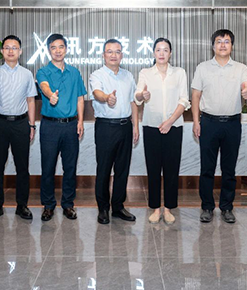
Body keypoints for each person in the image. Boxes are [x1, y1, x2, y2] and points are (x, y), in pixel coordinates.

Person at [191, 29, 247, 224]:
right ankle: (207, 207)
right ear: (213, 46)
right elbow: (195, 96)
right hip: (208, 123)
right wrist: (196, 122)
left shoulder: (241, 68)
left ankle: (227, 207)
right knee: (207, 169)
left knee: (229, 169)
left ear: (232, 46)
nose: (223, 45)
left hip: (232, 123)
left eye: (227, 41)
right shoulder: (202, 68)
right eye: (219, 41)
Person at [0, 35, 37, 222]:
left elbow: (30, 100)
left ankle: (22, 205)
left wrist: (31, 125)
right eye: (7, 47)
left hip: (20, 123)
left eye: (14, 48)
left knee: (22, 167)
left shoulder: (27, 74)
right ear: (2, 51)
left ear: (20, 51)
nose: (11, 51)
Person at [135, 38, 190, 225]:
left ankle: (168, 209)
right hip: (151, 127)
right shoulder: (145, 73)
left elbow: (184, 100)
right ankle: (155, 208)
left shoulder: (179, 73)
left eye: (165, 50)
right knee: (153, 169)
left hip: (173, 127)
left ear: (170, 53)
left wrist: (170, 121)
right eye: (158, 50)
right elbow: (137, 96)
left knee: (171, 169)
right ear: (153, 53)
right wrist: (143, 95)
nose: (161, 53)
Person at [36, 33, 87, 222]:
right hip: (50, 126)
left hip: (71, 125)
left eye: (61, 47)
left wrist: (80, 121)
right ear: (49, 50)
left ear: (66, 49)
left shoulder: (74, 72)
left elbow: (80, 98)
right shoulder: (43, 71)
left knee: (70, 167)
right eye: (53, 47)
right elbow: (44, 86)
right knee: (48, 167)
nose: (57, 51)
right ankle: (48, 205)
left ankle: (68, 204)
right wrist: (50, 95)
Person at [90, 39, 139, 224]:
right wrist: (107, 98)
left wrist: (135, 126)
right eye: (109, 52)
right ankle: (103, 208)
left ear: (122, 55)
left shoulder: (128, 75)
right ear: (103, 55)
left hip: (125, 127)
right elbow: (97, 93)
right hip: (106, 127)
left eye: (117, 52)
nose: (113, 55)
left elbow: (133, 102)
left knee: (122, 169)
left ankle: (118, 206)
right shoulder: (97, 75)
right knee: (103, 169)